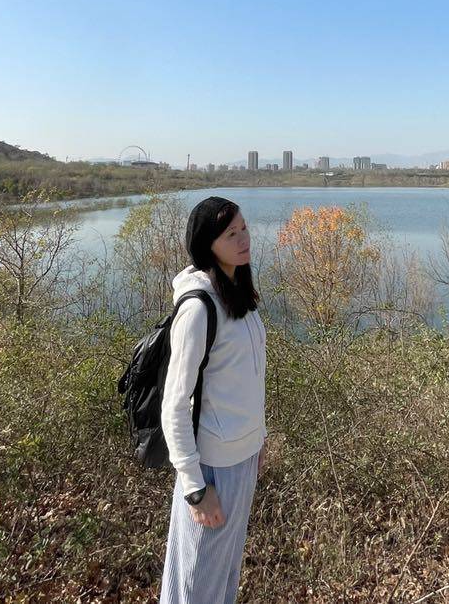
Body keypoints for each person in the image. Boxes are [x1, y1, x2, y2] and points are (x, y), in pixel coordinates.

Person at [159, 196, 267, 604]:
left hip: (243, 458)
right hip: (212, 469)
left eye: (244, 228)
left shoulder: (239, 295)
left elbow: (245, 378)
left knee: (225, 576)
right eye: (230, 234)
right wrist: (195, 488)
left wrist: (258, 437)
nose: (243, 239)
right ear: (208, 245)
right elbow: (174, 405)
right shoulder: (198, 308)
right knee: (195, 582)